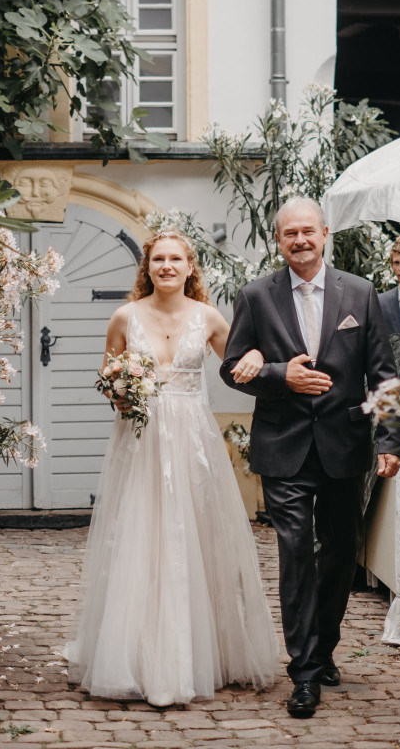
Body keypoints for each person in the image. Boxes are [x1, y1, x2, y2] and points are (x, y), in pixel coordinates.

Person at [67, 229, 278, 706]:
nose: (166, 266)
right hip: (140, 441)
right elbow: (109, 382)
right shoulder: (124, 316)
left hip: (192, 440)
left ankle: (201, 654)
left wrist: (261, 354)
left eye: (175, 259)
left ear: (189, 267)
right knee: (141, 538)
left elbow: (240, 363)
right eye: (158, 259)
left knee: (194, 537)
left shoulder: (208, 317)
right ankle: (135, 656)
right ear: (147, 267)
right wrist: (122, 391)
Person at [220, 197, 400, 719]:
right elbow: (231, 366)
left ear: (325, 234)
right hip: (283, 446)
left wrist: (391, 441)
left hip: (345, 445)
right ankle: (303, 673)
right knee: (296, 549)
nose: (299, 241)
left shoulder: (360, 292)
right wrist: (281, 375)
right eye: (288, 235)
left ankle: (323, 649)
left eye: (307, 232)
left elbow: (383, 373)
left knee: (342, 552)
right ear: (278, 241)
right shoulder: (256, 296)